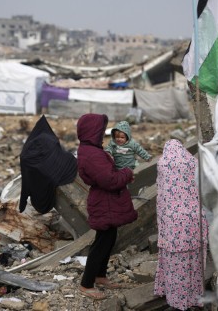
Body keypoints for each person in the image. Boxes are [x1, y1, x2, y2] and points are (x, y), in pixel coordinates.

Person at [76, 113, 137, 300]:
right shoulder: (93, 154)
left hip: (105, 201)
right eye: (101, 131)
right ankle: (86, 284)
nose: (103, 135)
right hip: (105, 201)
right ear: (93, 132)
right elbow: (109, 181)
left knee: (109, 237)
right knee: (102, 242)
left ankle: (100, 276)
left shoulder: (90, 149)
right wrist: (127, 173)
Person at [154, 139, 209, 310]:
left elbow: (161, 193)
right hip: (195, 220)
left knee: (175, 262)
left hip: (172, 223)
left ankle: (177, 299)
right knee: (195, 261)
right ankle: (195, 297)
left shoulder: (163, 163)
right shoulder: (193, 162)